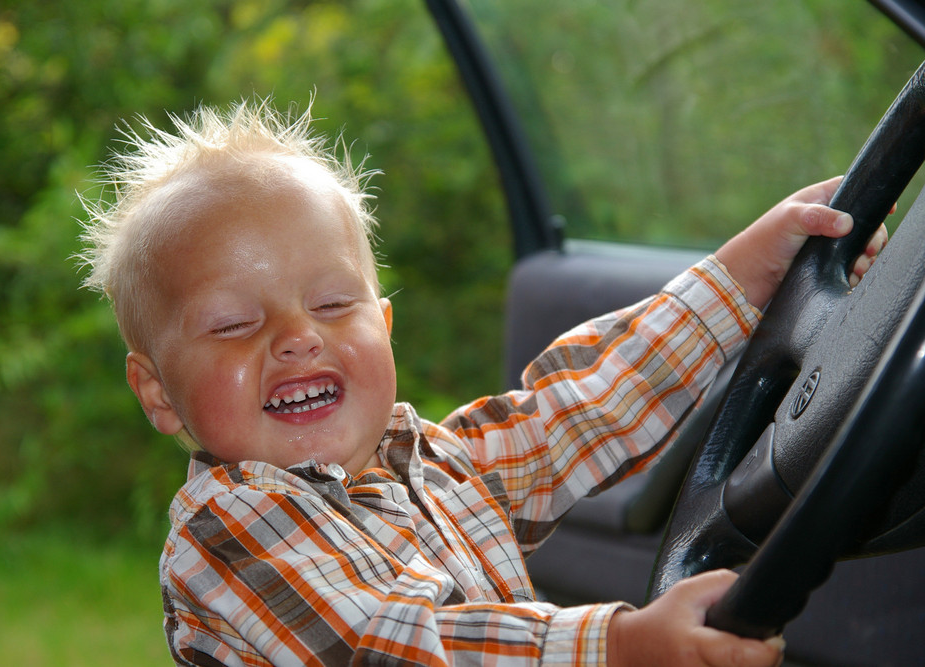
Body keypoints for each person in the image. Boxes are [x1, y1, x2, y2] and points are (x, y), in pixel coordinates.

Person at [77, 99, 886, 666]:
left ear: (382, 327)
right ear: (156, 392)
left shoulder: (431, 461)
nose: (297, 336)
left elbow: (577, 408)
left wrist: (741, 279)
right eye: (232, 325)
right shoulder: (227, 533)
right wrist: (615, 645)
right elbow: (393, 644)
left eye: (331, 303)